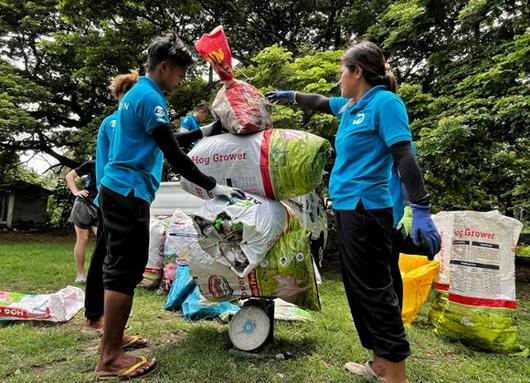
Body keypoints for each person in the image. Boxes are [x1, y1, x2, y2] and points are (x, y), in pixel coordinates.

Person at [266, 41, 440, 383]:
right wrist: (290, 96)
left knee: (375, 291)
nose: (339, 79)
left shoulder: (385, 103)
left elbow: (404, 156)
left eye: (341, 72)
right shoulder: (350, 107)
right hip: (348, 210)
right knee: (360, 290)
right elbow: (319, 102)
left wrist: (420, 207)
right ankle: (379, 364)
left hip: (368, 210)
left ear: (357, 71)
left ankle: (395, 377)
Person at [95, 32, 242, 380]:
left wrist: (209, 130)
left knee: (122, 270)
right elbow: (173, 153)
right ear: (164, 66)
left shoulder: (138, 95)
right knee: (124, 272)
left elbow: (168, 139)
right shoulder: (151, 98)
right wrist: (213, 186)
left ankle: (112, 340)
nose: (181, 79)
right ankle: (109, 357)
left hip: (123, 190)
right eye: (180, 72)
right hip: (127, 191)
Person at [66, 159, 98, 284]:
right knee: (82, 238)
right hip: (84, 203)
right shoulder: (92, 163)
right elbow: (70, 175)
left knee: (103, 239)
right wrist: (75, 191)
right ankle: (80, 274)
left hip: (101, 206)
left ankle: (101, 272)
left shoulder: (115, 164)